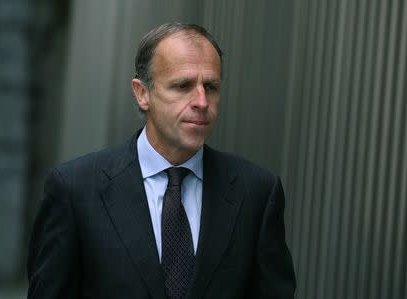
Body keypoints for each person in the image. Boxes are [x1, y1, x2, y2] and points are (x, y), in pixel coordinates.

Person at [27, 22, 296, 299]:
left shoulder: (256, 192)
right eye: (183, 85)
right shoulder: (75, 189)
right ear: (142, 93)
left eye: (211, 86)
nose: (202, 102)